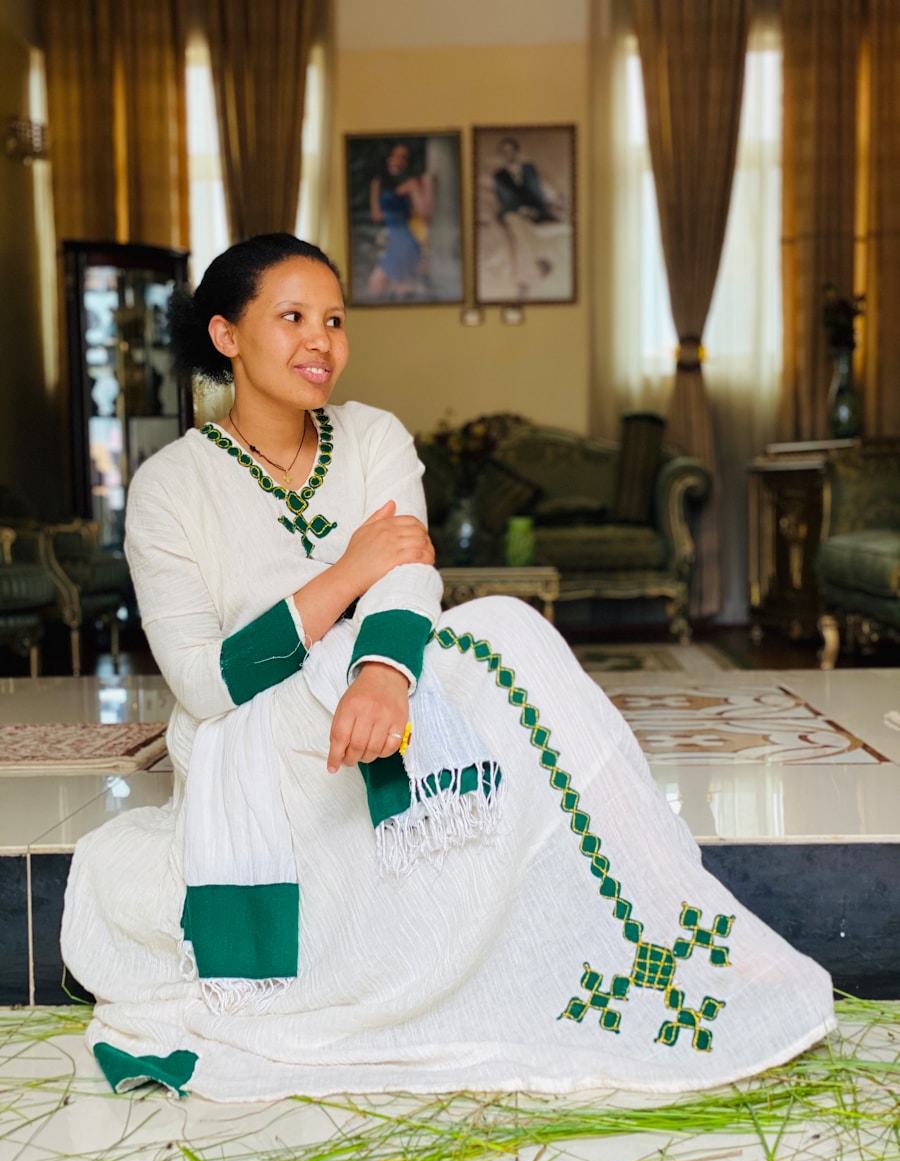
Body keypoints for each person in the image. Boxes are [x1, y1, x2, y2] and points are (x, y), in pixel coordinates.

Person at [62, 233, 835, 1104]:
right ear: (228, 335)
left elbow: (410, 576)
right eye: (292, 317)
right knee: (491, 636)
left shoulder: (371, 438)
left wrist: (384, 674)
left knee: (505, 633)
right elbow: (206, 683)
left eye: (335, 319)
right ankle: (637, 922)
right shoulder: (171, 485)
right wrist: (348, 573)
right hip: (259, 744)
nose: (322, 340)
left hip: (376, 700)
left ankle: (658, 925)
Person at [492, 136, 562, 299]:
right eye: (504, 152)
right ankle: (529, 275)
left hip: (534, 211)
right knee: (517, 230)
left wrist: (535, 208)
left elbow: (538, 190)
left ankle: (527, 277)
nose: (508, 154)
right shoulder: (499, 175)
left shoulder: (529, 169)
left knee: (527, 235)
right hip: (513, 213)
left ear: (517, 152)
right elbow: (504, 200)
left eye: (511, 150)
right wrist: (520, 209)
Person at [367, 142, 433, 300]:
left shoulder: (411, 184)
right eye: (394, 156)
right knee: (376, 289)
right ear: (388, 158)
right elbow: (377, 215)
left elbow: (424, 212)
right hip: (393, 239)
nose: (397, 160)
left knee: (399, 292)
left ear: (407, 162)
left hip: (405, 240)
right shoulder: (379, 182)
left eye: (403, 157)